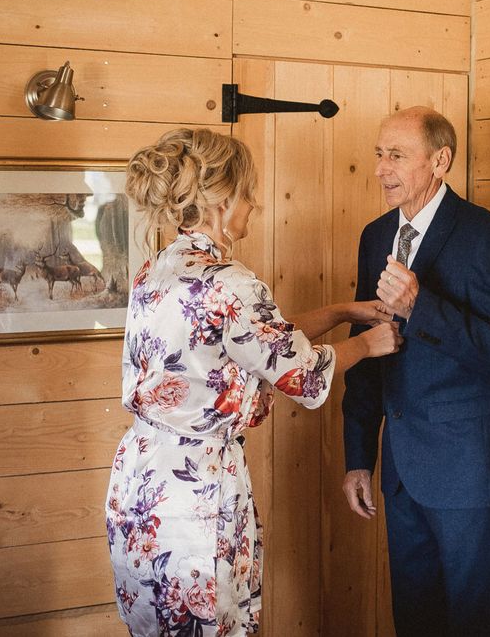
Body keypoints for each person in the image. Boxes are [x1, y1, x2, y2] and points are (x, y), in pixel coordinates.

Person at [106, 128, 402, 636]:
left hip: (141, 483)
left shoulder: (157, 270)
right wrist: (369, 344)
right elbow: (302, 375)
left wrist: (339, 311)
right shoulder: (230, 282)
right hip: (196, 490)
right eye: (248, 192)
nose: (255, 204)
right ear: (221, 199)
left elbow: (251, 342)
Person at [341, 106, 490, 637]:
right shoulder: (374, 235)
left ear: (441, 161)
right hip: (401, 473)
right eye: (379, 154)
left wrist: (420, 305)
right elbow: (366, 350)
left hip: (468, 471)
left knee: (473, 622)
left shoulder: (485, 235)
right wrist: (359, 456)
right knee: (415, 619)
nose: (381, 168)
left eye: (396, 155)